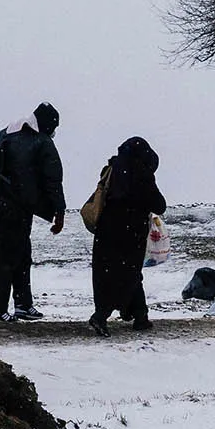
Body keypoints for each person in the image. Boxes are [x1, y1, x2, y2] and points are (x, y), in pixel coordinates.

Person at [0, 103, 66, 323]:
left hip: (0, 205)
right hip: (19, 207)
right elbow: (53, 179)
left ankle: (23, 304)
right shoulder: (42, 142)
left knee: (20, 253)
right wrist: (59, 210)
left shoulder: (7, 135)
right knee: (9, 256)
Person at [87, 136, 166, 336]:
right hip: (131, 231)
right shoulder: (141, 173)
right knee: (128, 274)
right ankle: (102, 316)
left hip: (107, 228)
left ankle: (140, 315)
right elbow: (159, 204)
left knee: (108, 274)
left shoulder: (112, 169)